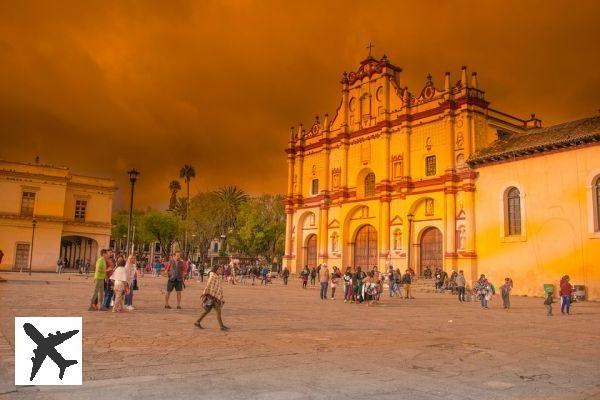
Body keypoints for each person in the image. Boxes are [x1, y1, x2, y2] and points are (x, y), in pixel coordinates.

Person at [195, 265, 229, 331]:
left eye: (220, 269)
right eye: (219, 269)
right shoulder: (213, 276)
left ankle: (198, 321)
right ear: (215, 270)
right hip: (212, 296)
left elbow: (217, 287)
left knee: (207, 311)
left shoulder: (217, 277)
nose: (220, 271)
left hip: (214, 296)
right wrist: (207, 293)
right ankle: (221, 326)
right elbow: (209, 285)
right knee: (218, 310)